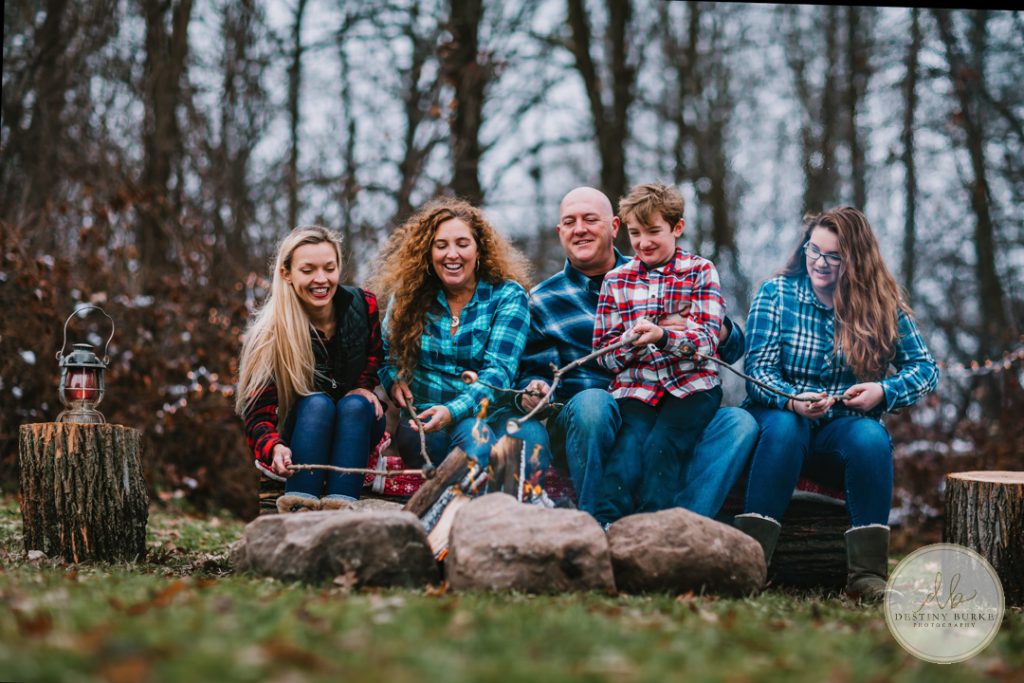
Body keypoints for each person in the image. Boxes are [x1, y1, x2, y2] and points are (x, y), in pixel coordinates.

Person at [512, 186, 757, 519]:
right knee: (596, 404)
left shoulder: (666, 268)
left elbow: (728, 347)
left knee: (740, 423)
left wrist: (687, 329)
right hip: (603, 415)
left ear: (614, 227)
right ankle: (598, 524)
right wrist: (534, 388)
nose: (579, 228)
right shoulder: (543, 300)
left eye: (590, 219)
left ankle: (683, 527)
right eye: (570, 222)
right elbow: (536, 372)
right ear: (560, 232)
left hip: (680, 393)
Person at [736, 206, 939, 601]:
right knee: (785, 426)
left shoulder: (880, 304)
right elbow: (757, 370)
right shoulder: (776, 293)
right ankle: (748, 564)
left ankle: (866, 576)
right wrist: (792, 400)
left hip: (838, 430)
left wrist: (883, 391)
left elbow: (926, 369)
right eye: (814, 250)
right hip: (777, 423)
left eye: (834, 256)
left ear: (856, 260)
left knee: (870, 437)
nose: (820, 263)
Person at [589, 182, 724, 524]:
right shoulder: (615, 281)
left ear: (677, 228)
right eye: (635, 233)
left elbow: (707, 341)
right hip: (637, 388)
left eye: (653, 231)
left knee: (662, 448)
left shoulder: (699, 271)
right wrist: (630, 342)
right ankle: (605, 528)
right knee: (627, 451)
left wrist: (663, 337)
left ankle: (652, 531)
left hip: (691, 387)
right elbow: (603, 354)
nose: (643, 242)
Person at [368, 198, 532, 471]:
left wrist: (452, 411)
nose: (451, 254)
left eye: (462, 244)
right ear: (428, 253)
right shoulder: (409, 297)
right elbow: (385, 353)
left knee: (477, 446)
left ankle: (476, 510)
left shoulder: (507, 296)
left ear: (479, 250)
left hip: (482, 415)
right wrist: (393, 381)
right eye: (441, 245)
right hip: (424, 414)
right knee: (416, 443)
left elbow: (499, 372)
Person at [236, 226, 386, 513]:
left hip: (359, 422)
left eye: (329, 268)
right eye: (308, 270)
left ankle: (340, 511)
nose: (321, 279)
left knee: (354, 405)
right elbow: (257, 411)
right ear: (286, 274)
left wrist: (364, 386)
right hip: (305, 430)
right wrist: (274, 448)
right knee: (317, 404)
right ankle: (300, 510)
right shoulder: (270, 332)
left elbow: (375, 356)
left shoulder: (363, 306)